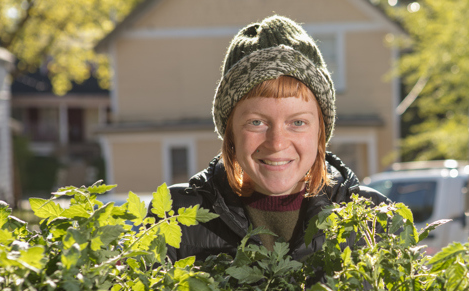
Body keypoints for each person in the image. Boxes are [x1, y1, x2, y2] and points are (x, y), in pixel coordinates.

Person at [165, 15, 388, 263]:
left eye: (297, 123)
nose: (277, 143)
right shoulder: (175, 217)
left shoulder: (373, 219)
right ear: (230, 132)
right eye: (256, 122)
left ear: (320, 131)